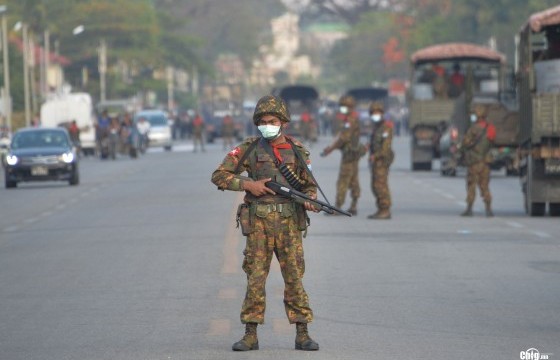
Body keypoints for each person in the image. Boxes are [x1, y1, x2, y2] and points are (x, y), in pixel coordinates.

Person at [211, 95, 320, 352]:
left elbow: (309, 185)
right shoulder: (248, 148)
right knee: (256, 278)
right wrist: (248, 184)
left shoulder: (298, 151)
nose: (266, 125)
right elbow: (219, 175)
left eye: (272, 121)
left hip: (289, 222)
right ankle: (250, 333)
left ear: (283, 122)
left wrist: (311, 199)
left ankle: (302, 332)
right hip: (259, 223)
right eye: (262, 122)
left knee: (294, 277)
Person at [321, 95, 364, 215]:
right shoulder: (351, 119)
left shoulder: (350, 121)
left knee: (343, 180)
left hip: (349, 155)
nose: (342, 109)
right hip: (353, 154)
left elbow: (343, 138)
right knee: (354, 180)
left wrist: (330, 149)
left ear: (350, 107)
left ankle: (338, 207)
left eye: (344, 107)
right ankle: (354, 205)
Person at [460, 104, 496, 217]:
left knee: (471, 185)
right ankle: (488, 209)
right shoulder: (490, 128)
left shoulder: (473, 129)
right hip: (485, 163)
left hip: (474, 162)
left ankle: (469, 209)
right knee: (484, 185)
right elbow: (492, 141)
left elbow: (465, 143)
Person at [367, 102, 394, 219]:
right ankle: (380, 208)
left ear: (382, 114)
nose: (375, 115)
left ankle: (385, 209)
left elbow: (386, 147)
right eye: (373, 113)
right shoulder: (376, 127)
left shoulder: (386, 127)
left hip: (382, 160)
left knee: (381, 185)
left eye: (377, 113)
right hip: (376, 161)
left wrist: (376, 156)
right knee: (375, 185)